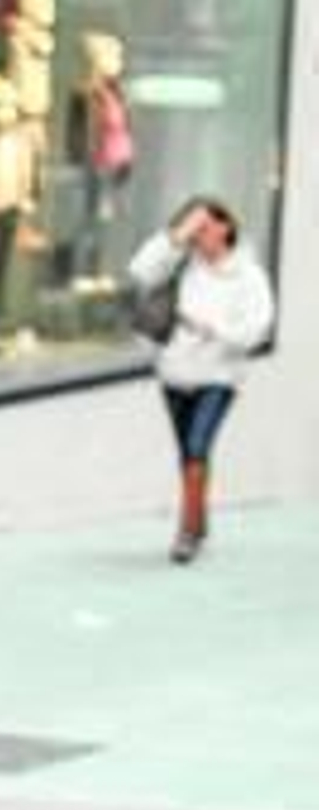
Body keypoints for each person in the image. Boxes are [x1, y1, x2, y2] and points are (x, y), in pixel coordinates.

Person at [127, 197, 274, 564]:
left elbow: (259, 327)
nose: (200, 236)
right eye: (196, 229)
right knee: (189, 455)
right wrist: (177, 236)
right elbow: (140, 272)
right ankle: (200, 518)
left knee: (196, 448)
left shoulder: (248, 274)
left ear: (226, 227)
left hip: (219, 376)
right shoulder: (181, 262)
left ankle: (187, 533)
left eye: (205, 227)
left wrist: (213, 330)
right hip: (175, 372)